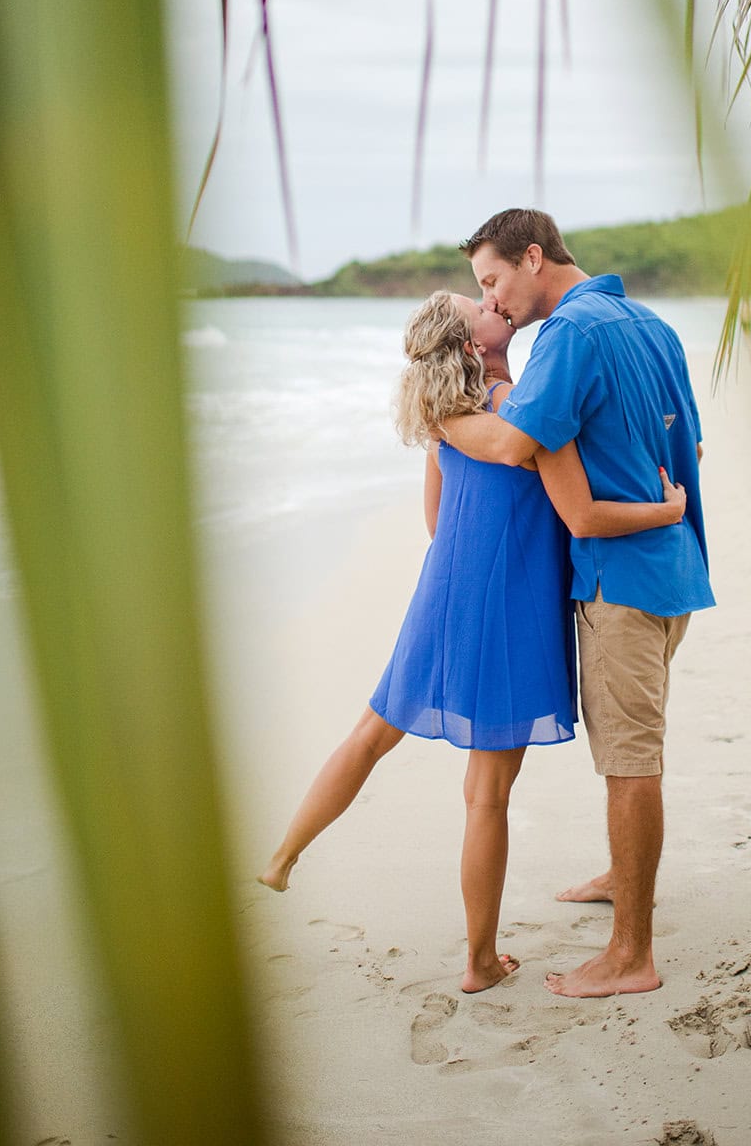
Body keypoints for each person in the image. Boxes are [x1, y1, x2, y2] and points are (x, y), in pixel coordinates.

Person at [259, 289, 687, 994]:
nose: (495, 303)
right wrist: (665, 509)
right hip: (509, 603)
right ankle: (479, 962)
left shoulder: (443, 416)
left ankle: (280, 859)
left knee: (370, 733)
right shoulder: (521, 410)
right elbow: (578, 513)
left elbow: (435, 520)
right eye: (479, 306)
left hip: (443, 589)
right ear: (470, 344)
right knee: (486, 793)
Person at [439, 210, 715, 1000]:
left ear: (533, 257)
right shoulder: (648, 323)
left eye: (492, 281)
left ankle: (631, 953)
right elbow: (688, 445)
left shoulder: (567, 334)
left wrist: (442, 416)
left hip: (618, 581)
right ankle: (618, 879)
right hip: (674, 571)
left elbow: (518, 443)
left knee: (629, 762)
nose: (494, 299)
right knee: (630, 749)